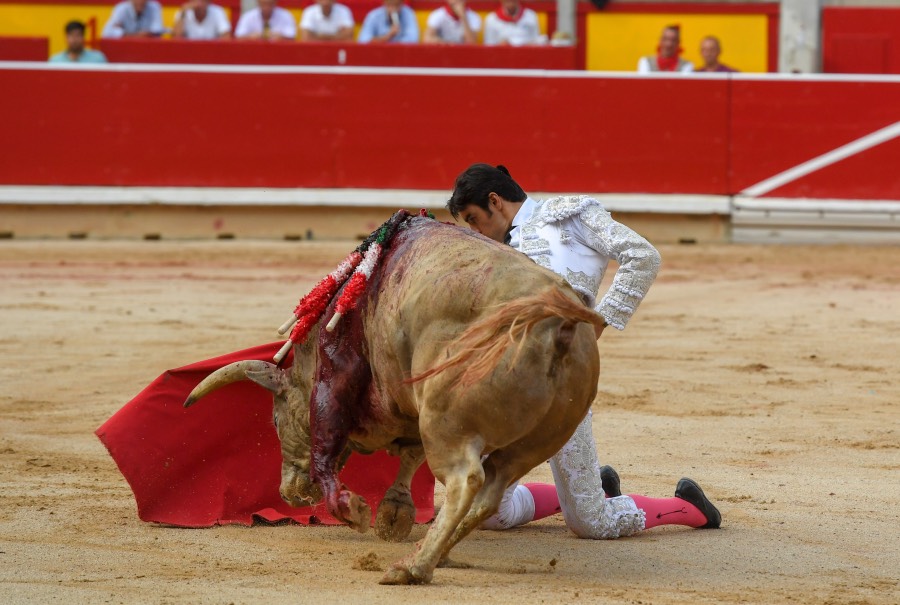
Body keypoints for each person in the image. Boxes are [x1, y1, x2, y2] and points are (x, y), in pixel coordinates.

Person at [446, 163, 722, 538]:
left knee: (592, 524)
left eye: (474, 219)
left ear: (495, 201)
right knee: (491, 512)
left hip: (563, 383)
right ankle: (586, 493)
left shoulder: (568, 216)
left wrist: (600, 320)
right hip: (507, 388)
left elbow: (642, 256)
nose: (475, 232)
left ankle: (689, 508)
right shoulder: (491, 249)